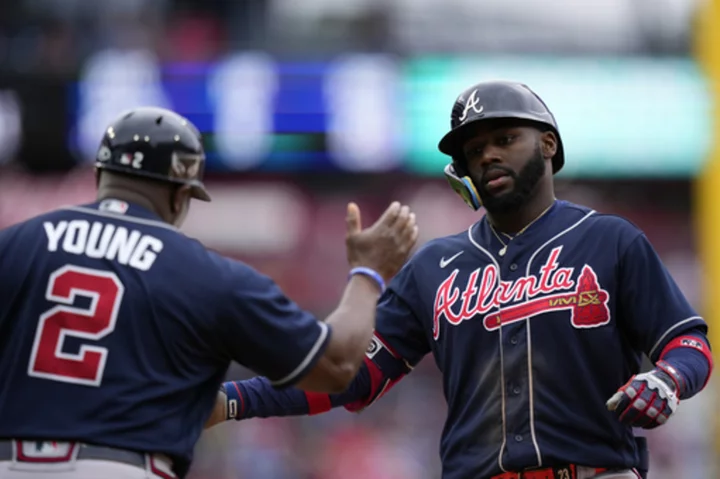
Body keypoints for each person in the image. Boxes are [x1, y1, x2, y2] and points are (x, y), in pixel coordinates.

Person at [211, 81, 714, 479]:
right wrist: (234, 400)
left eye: (504, 139)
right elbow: (351, 377)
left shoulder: (610, 240)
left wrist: (668, 378)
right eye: (474, 150)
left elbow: (688, 341)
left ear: (548, 143)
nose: (488, 155)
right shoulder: (434, 267)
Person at [0, 106, 418, 479]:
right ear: (182, 194)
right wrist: (369, 273)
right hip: (120, 465)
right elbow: (337, 365)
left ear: (99, 176)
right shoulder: (203, 272)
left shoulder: (15, 244)